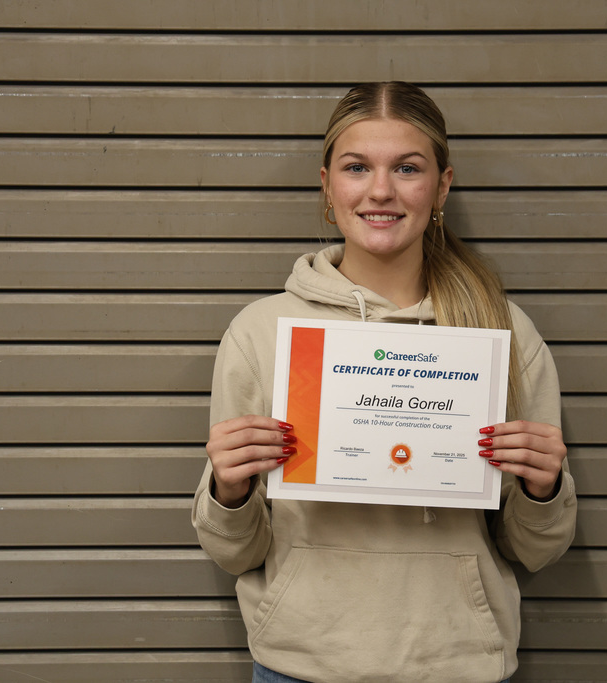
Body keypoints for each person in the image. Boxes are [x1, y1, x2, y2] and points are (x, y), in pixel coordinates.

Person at [193, 81, 576, 683]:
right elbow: (233, 552)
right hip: (302, 666)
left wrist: (542, 489)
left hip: (458, 665)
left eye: (406, 168)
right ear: (326, 184)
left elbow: (537, 549)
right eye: (356, 167)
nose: (380, 190)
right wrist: (229, 491)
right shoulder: (263, 333)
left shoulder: (500, 332)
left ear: (442, 185)